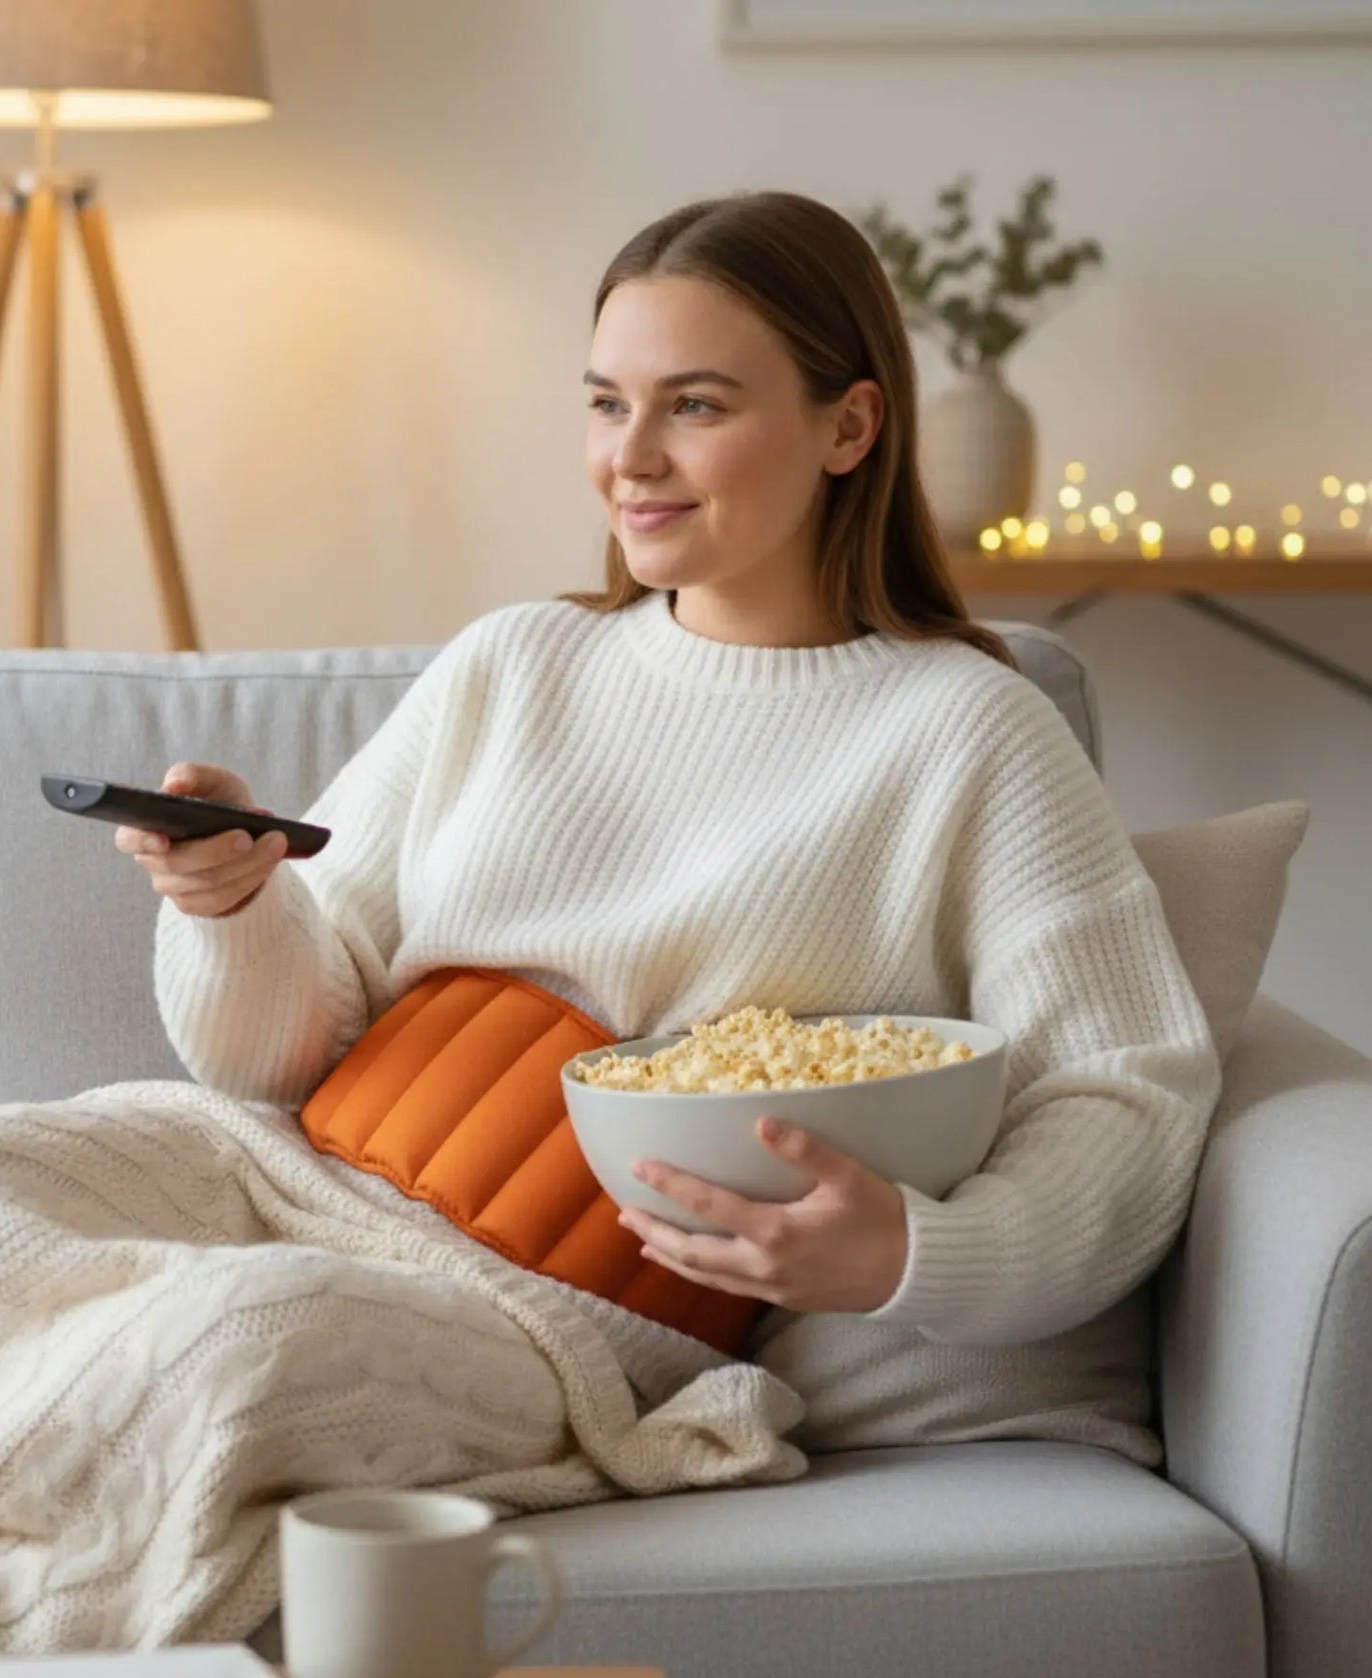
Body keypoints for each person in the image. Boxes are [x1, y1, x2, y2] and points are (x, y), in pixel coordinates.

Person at [127, 190, 1222, 1466]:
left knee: (198, 1373)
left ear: (847, 425)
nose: (627, 457)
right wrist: (232, 905)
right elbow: (268, 1057)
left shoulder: (965, 730)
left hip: (533, 1315)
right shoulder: (512, 663)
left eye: (692, 405)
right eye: (604, 401)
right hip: (282, 1186)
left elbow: (1124, 1087)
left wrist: (918, 1253)